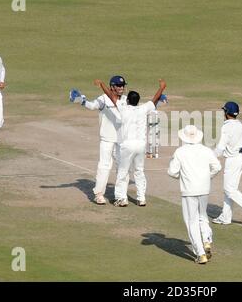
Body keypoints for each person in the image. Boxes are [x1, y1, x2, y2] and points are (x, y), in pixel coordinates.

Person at [95, 79, 166, 207]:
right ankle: (141, 198)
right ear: (138, 101)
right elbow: (154, 100)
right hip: (140, 145)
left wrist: (102, 85)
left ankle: (122, 199)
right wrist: (162, 88)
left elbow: (111, 97)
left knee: (123, 172)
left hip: (127, 146)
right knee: (139, 171)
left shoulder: (123, 108)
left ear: (128, 101)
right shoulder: (143, 108)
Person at [69, 76, 128, 204]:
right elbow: (92, 106)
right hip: (107, 139)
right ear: (112, 86)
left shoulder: (125, 100)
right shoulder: (103, 98)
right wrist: (81, 100)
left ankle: (121, 196)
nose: (121, 88)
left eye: (122, 86)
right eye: (118, 85)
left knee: (123, 168)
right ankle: (99, 194)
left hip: (121, 140)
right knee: (104, 167)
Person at [168, 125, 222, 264]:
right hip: (204, 188)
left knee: (191, 221)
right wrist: (207, 177)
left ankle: (200, 253)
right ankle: (207, 240)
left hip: (189, 190)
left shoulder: (180, 152)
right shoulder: (206, 150)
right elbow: (217, 167)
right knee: (202, 216)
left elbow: (172, 172)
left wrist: (182, 176)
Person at [211, 102, 242, 227]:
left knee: (230, 190)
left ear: (227, 113)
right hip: (240, 158)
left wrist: (209, 157)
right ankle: (226, 217)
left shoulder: (226, 127)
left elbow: (221, 148)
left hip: (232, 160)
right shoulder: (241, 126)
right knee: (229, 189)